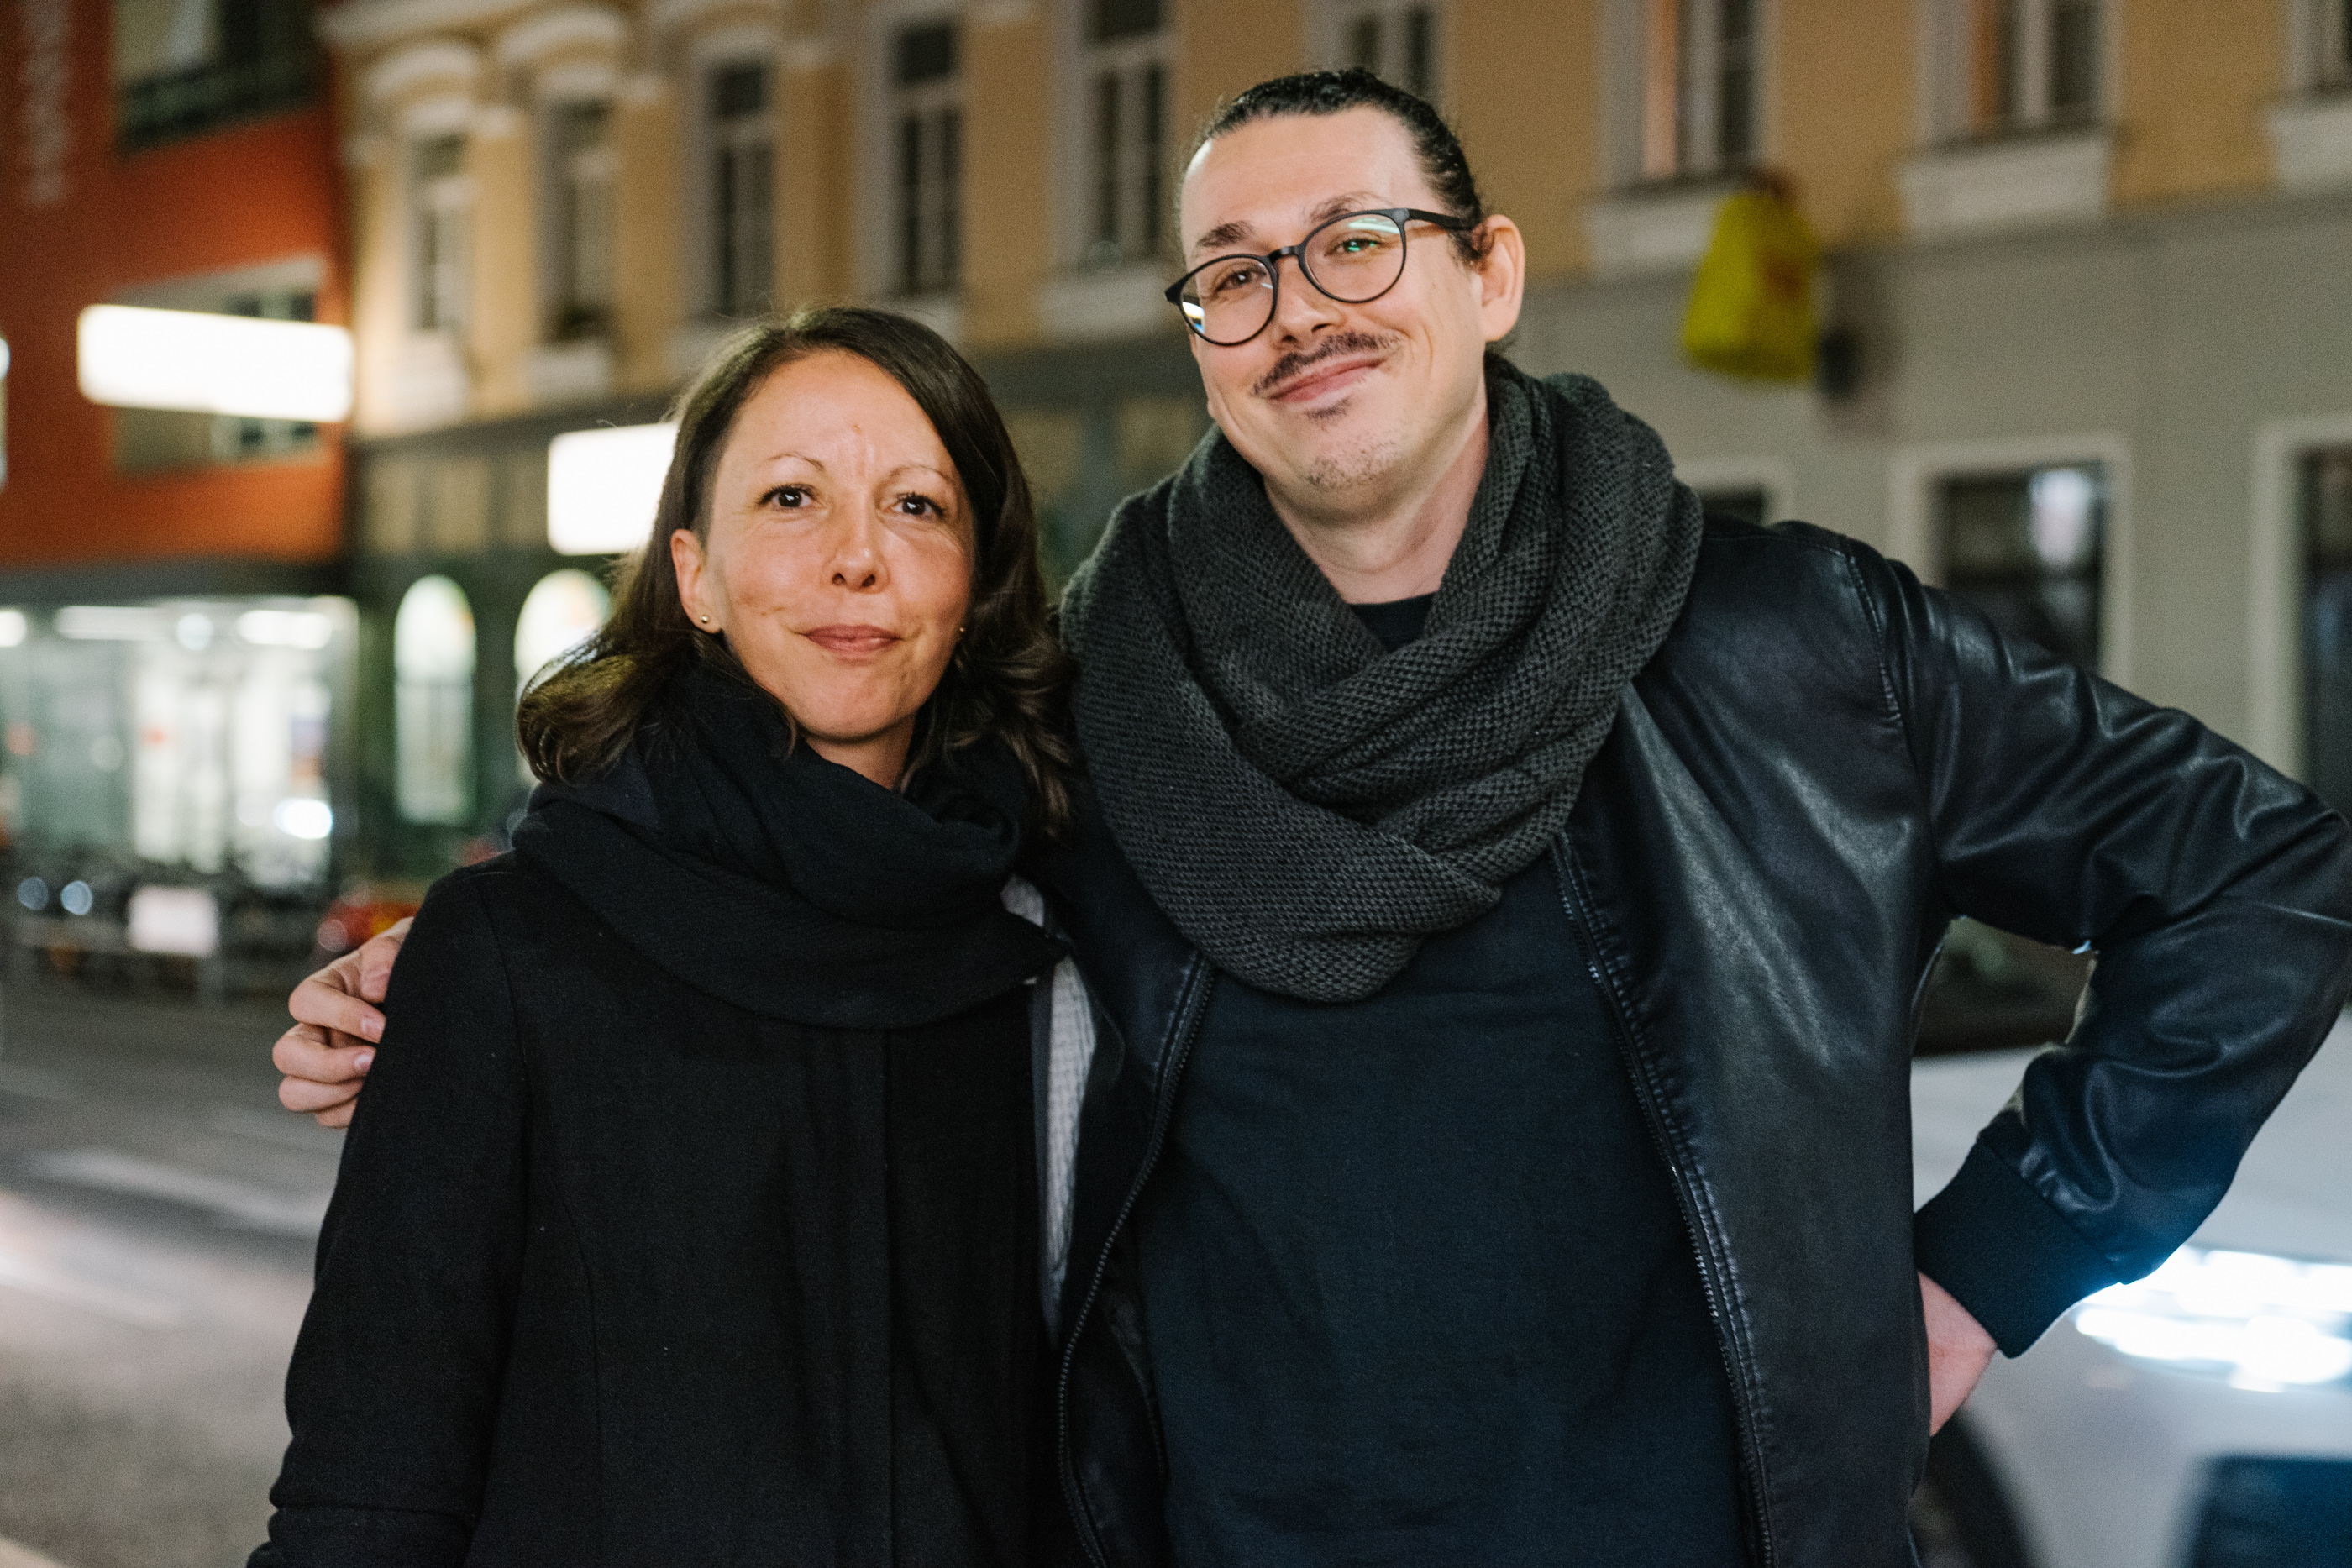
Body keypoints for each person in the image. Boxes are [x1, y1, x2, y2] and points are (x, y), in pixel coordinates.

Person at [277, 71, 2352, 1568]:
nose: (1301, 309)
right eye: (1233, 275)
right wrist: (476, 966)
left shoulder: (1785, 647)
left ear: (1489, 274)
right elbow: (827, 874)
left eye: (1356, 242)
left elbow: (2260, 877)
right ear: (1198, 342)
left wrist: (1983, 1269)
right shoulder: (1105, 689)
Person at [253, 307, 1084, 1566]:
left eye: (917, 507)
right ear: (694, 575)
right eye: (792, 498)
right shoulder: (511, 950)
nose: (858, 558)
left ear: (974, 585)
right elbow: (370, 1482)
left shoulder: (1041, 946)